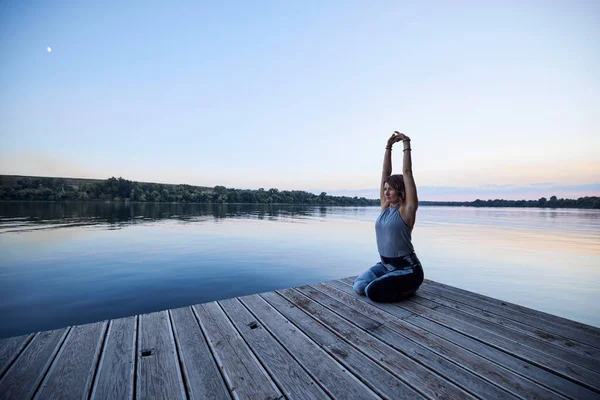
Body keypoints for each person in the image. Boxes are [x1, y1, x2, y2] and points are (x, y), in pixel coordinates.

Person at [353, 131, 424, 302]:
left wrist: (406, 143)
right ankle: (393, 283)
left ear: (400, 190)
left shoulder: (407, 210)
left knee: (372, 291)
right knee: (359, 285)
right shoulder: (385, 207)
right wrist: (388, 147)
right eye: (385, 189)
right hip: (386, 266)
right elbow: (384, 174)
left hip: (408, 269)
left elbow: (407, 172)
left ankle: (410, 287)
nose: (386, 192)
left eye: (390, 189)